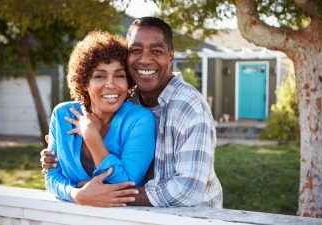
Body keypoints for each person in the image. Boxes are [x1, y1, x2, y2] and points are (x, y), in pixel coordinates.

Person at [41, 17, 223, 208]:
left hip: (195, 216)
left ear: (171, 56)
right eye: (136, 50)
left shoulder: (189, 107)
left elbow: (188, 190)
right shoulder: (129, 100)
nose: (144, 59)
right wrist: (77, 194)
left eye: (156, 51)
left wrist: (104, 193)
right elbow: (53, 174)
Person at [44, 30, 156, 206]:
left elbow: (126, 186)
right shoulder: (62, 115)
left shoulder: (139, 120)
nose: (111, 84)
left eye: (119, 75)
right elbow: (51, 175)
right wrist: (76, 195)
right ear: (84, 83)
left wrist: (90, 135)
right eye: (100, 76)